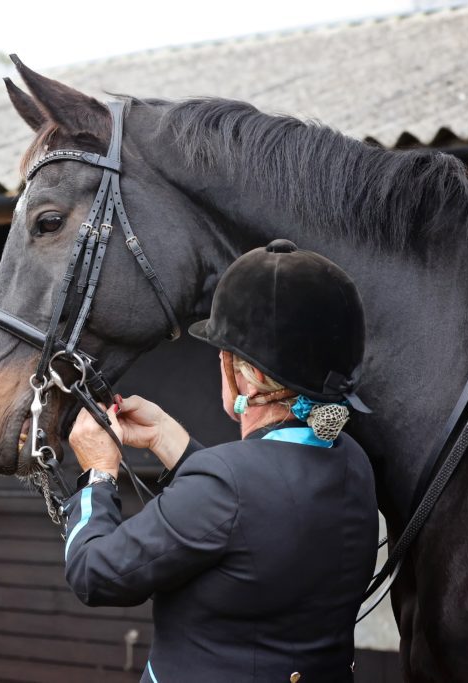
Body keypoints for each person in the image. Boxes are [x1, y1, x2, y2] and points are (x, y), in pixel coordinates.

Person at [64, 239, 378, 683]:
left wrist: (98, 472)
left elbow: (93, 574)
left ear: (243, 373)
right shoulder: (354, 462)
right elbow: (255, 508)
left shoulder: (227, 486)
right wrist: (165, 438)